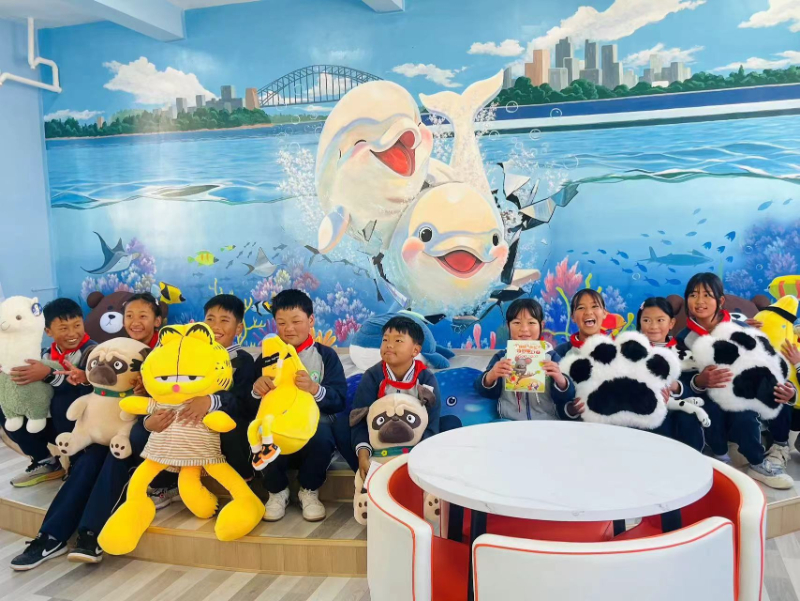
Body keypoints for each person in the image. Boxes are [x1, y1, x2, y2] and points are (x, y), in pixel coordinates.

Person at [10, 293, 162, 570]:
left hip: (138, 432)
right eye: (129, 316)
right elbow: (98, 384)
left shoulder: (164, 352)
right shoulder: (112, 347)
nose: (135, 322)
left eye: (143, 316)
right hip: (104, 429)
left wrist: (148, 389)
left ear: (158, 320)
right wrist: (84, 378)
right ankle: (50, 536)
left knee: (116, 461)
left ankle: (90, 533)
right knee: (88, 461)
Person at [676, 273, 795, 489]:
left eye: (707, 295)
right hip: (713, 398)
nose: (699, 301)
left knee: (773, 395)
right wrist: (699, 381)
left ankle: (770, 454)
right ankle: (735, 460)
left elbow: (769, 360)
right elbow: (682, 382)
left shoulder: (741, 327)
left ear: (720, 300)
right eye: (693, 295)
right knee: (726, 411)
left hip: (748, 391)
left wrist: (790, 390)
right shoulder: (683, 339)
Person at [253, 289, 346, 522]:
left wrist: (315, 389)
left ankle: (309, 490)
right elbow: (248, 403)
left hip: (312, 428)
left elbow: (339, 399)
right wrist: (256, 390)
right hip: (278, 426)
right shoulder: (266, 358)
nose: (289, 329)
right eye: (281, 323)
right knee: (261, 431)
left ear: (311, 320)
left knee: (322, 431)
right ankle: (277, 491)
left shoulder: (325, 356)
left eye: (296, 321)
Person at [2, 298, 96, 488]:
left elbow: (87, 388)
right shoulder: (42, 354)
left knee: (62, 400)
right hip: (51, 422)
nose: (72, 333)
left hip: (82, 423)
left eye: (77, 325)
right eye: (63, 328)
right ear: (48, 331)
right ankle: (44, 461)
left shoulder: (93, 352)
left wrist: (48, 374)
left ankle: (78, 462)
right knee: (7, 406)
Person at [351, 316, 441, 481]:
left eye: (398, 340)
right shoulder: (372, 376)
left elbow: (432, 421)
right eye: (385, 339)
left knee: (450, 424)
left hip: (416, 446)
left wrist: (418, 455)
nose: (389, 345)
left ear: (415, 350)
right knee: (343, 426)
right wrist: (363, 456)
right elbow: (360, 419)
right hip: (380, 445)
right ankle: (368, 479)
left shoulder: (426, 378)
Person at [474, 298, 574, 420]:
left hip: (546, 422)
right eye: (517, 323)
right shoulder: (501, 358)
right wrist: (491, 376)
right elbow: (485, 392)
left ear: (541, 325)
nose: (524, 329)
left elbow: (567, 396)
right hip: (509, 422)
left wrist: (561, 381)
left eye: (531, 323)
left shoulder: (552, 357)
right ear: (508, 326)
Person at [636, 297, 705, 451]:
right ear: (640, 322)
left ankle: (691, 458)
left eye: (660, 320)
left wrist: (676, 387)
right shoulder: (631, 350)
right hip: (642, 408)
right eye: (646, 320)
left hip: (677, 407)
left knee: (688, 418)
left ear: (671, 323)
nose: (653, 326)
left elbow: (692, 388)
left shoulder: (683, 352)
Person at [554, 288, 609, 418]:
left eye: (595, 306)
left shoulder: (619, 351)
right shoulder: (560, 353)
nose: (588, 312)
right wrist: (571, 409)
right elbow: (555, 400)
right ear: (573, 317)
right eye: (581, 308)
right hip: (575, 427)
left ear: (604, 313)